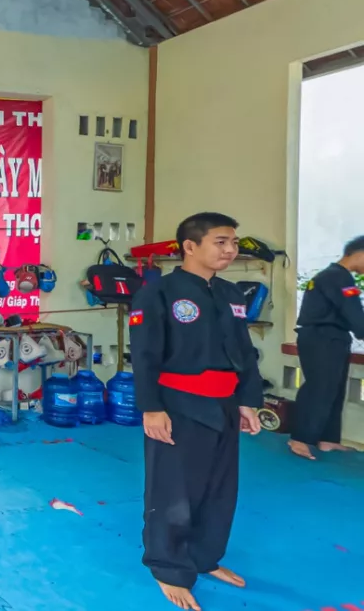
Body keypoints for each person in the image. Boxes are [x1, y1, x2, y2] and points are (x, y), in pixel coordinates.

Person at [129, 212, 264, 611]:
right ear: (190, 246)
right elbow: (145, 355)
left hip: (224, 403)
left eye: (233, 242)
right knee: (173, 491)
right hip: (178, 402)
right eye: (221, 242)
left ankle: (205, 557)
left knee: (220, 488)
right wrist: (152, 408)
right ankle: (168, 567)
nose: (230, 250)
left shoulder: (231, 294)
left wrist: (247, 400)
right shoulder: (159, 293)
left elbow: (244, 351)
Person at [289, 236, 364, 459]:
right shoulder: (338, 277)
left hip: (329, 337)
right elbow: (353, 312)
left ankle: (328, 439)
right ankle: (300, 438)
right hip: (323, 338)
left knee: (334, 389)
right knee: (319, 388)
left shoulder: (333, 275)